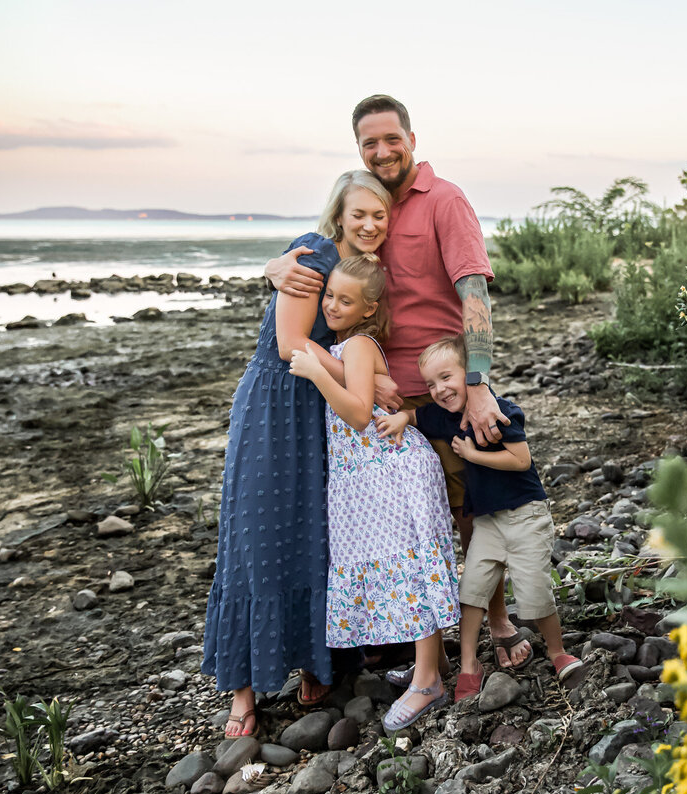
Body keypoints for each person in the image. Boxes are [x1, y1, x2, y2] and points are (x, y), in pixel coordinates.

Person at [265, 94, 532, 671]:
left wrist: (479, 383)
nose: (383, 151)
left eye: (392, 139)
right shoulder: (373, 205)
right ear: (359, 149)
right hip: (377, 381)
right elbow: (325, 260)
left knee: (470, 507)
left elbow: (476, 297)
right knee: (402, 520)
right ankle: (407, 631)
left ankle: (500, 619)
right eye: (370, 143)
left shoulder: (445, 200)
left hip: (442, 386)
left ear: (412, 138)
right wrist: (273, 267)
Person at [201, 169, 391, 738]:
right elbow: (289, 345)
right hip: (275, 405)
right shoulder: (310, 254)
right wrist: (363, 378)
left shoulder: (363, 271)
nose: (368, 224)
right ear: (338, 214)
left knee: (313, 531)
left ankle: (314, 661)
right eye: (358, 213)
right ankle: (242, 692)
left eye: (378, 215)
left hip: (317, 409)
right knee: (255, 532)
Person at [288, 254, 460, 731]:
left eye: (345, 300)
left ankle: (428, 683)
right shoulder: (345, 345)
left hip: (390, 470)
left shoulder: (360, 345)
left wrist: (318, 373)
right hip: (364, 476)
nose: (332, 306)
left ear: (368, 309)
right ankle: (434, 665)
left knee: (408, 566)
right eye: (329, 297)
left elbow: (360, 414)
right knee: (398, 566)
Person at [378, 336, 585, 700]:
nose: (439, 389)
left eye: (446, 377)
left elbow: (520, 460)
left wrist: (473, 455)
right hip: (488, 521)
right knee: (472, 589)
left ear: (471, 376)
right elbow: (416, 414)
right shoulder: (444, 418)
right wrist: (400, 419)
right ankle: (471, 663)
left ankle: (557, 652)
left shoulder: (500, 412)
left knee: (534, 590)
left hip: (524, 515)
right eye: (430, 384)